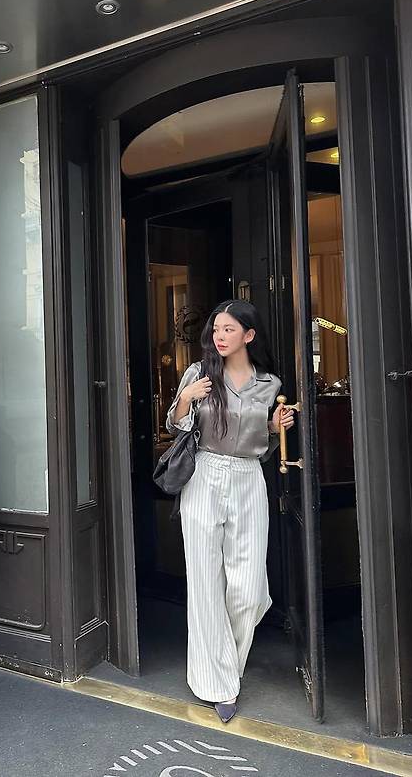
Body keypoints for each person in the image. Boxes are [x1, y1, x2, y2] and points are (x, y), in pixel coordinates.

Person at [166, 299, 295, 723]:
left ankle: (227, 666)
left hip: (247, 477)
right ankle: (217, 683)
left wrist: (276, 428)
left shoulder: (269, 384)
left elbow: (266, 444)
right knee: (205, 581)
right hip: (205, 474)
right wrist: (185, 398)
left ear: (248, 335)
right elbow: (176, 425)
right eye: (216, 329)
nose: (219, 336)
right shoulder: (199, 373)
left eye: (229, 329)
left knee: (249, 590)